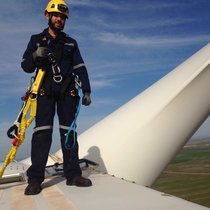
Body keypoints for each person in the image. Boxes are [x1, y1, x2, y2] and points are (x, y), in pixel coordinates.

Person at [21, 0, 92, 195]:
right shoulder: (36, 39)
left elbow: (80, 67)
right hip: (44, 92)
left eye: (62, 17)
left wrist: (86, 90)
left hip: (67, 92)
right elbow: (26, 65)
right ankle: (35, 179)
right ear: (47, 16)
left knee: (69, 133)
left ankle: (73, 175)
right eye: (56, 16)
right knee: (42, 134)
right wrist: (35, 55)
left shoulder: (70, 43)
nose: (59, 19)